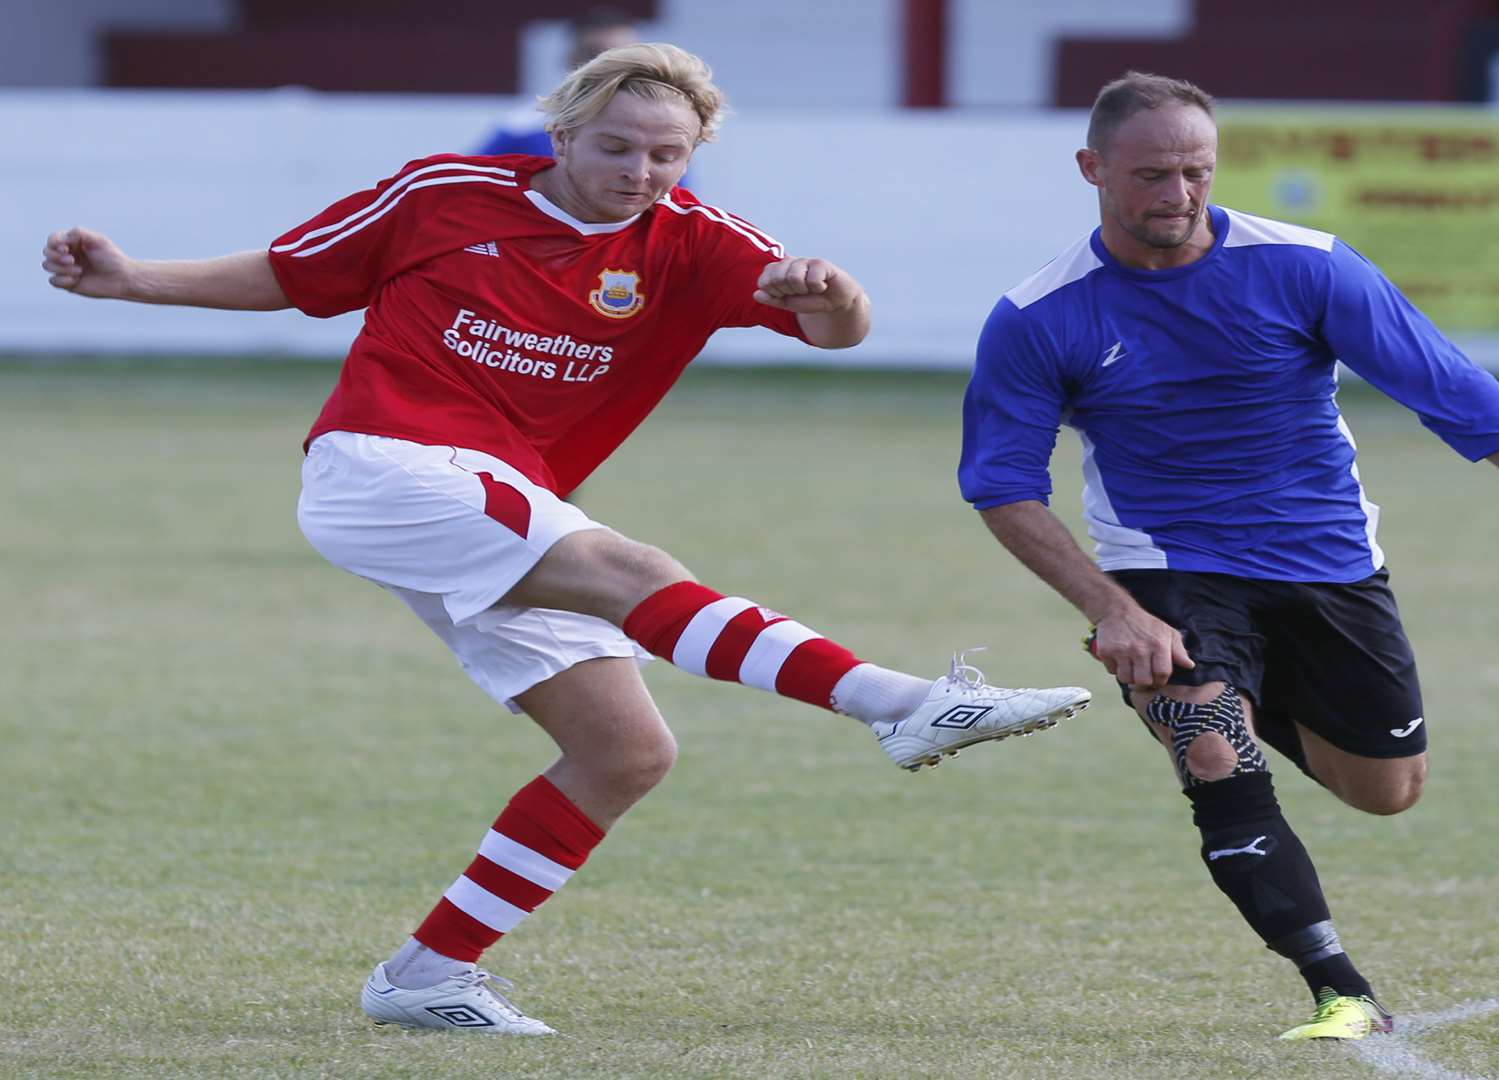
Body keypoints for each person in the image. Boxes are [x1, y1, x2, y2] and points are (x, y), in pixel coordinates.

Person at [41, 42, 1091, 1037]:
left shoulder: (698, 241)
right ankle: (903, 704)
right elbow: (291, 273)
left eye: (665, 153)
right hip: (383, 463)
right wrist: (131, 278)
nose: (639, 170)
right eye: (615, 146)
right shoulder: (443, 194)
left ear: (691, 157)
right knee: (631, 571)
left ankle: (427, 976)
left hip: (506, 492)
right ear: (562, 133)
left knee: (624, 751)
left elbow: (834, 331)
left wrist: (832, 294)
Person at [957, 71, 1499, 1042]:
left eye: (1195, 172)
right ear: (1092, 169)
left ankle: (1255, 705)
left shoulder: (1306, 267)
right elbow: (1003, 487)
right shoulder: (1041, 315)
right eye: (1150, 175)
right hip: (1166, 571)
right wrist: (1112, 608)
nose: (1176, 195)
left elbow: (1455, 393)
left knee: (1387, 791)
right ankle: (1338, 988)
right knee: (1210, 745)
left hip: (1327, 564)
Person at [476, 7, 641, 157]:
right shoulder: (521, 128)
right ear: (571, 58)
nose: (611, 66)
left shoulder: (660, 125)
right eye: (595, 54)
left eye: (623, 56)